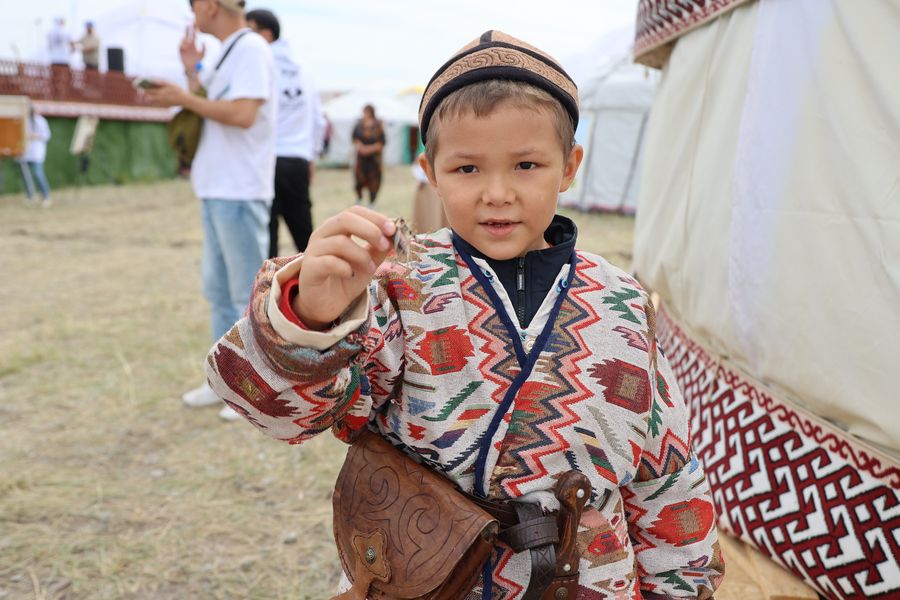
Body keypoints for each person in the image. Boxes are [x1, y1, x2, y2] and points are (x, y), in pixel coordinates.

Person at [205, 31, 724, 598]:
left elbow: (666, 475)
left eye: (526, 164)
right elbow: (278, 416)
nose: (497, 193)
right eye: (467, 170)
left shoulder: (621, 301)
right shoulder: (396, 290)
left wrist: (683, 586)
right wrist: (310, 317)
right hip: (429, 578)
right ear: (430, 170)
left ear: (570, 165)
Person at [146, 0, 276, 421]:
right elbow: (213, 104)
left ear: (209, 4)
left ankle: (252, 391)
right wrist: (190, 74)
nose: (191, 13)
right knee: (220, 293)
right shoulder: (230, 51)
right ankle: (225, 385)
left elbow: (242, 113)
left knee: (244, 295)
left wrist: (184, 94)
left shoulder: (252, 48)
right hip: (221, 187)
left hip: (238, 188)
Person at [246, 9, 325, 258]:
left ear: (266, 34)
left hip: (266, 159)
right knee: (305, 237)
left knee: (267, 238)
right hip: (298, 160)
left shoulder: (258, 64)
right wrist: (311, 156)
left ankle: (270, 292)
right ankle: (317, 287)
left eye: (249, 31)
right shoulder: (302, 69)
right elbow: (318, 120)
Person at [351, 104, 385, 204]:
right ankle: (359, 198)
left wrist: (367, 149)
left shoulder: (378, 126)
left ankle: (372, 202)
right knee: (359, 180)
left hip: (374, 161)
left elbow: (381, 143)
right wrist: (360, 147)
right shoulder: (359, 125)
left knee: (374, 181)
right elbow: (355, 139)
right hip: (361, 160)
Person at [18, 109, 52, 207]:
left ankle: (46, 195)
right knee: (26, 175)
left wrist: (35, 136)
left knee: (38, 174)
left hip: (37, 153)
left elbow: (47, 135)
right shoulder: (25, 120)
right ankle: (30, 195)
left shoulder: (41, 121)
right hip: (26, 152)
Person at [46, 17, 72, 99]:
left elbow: (49, 45)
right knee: (66, 79)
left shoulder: (49, 32)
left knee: (54, 80)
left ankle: (54, 95)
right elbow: (71, 43)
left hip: (54, 59)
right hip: (64, 59)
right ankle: (65, 95)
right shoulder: (65, 31)